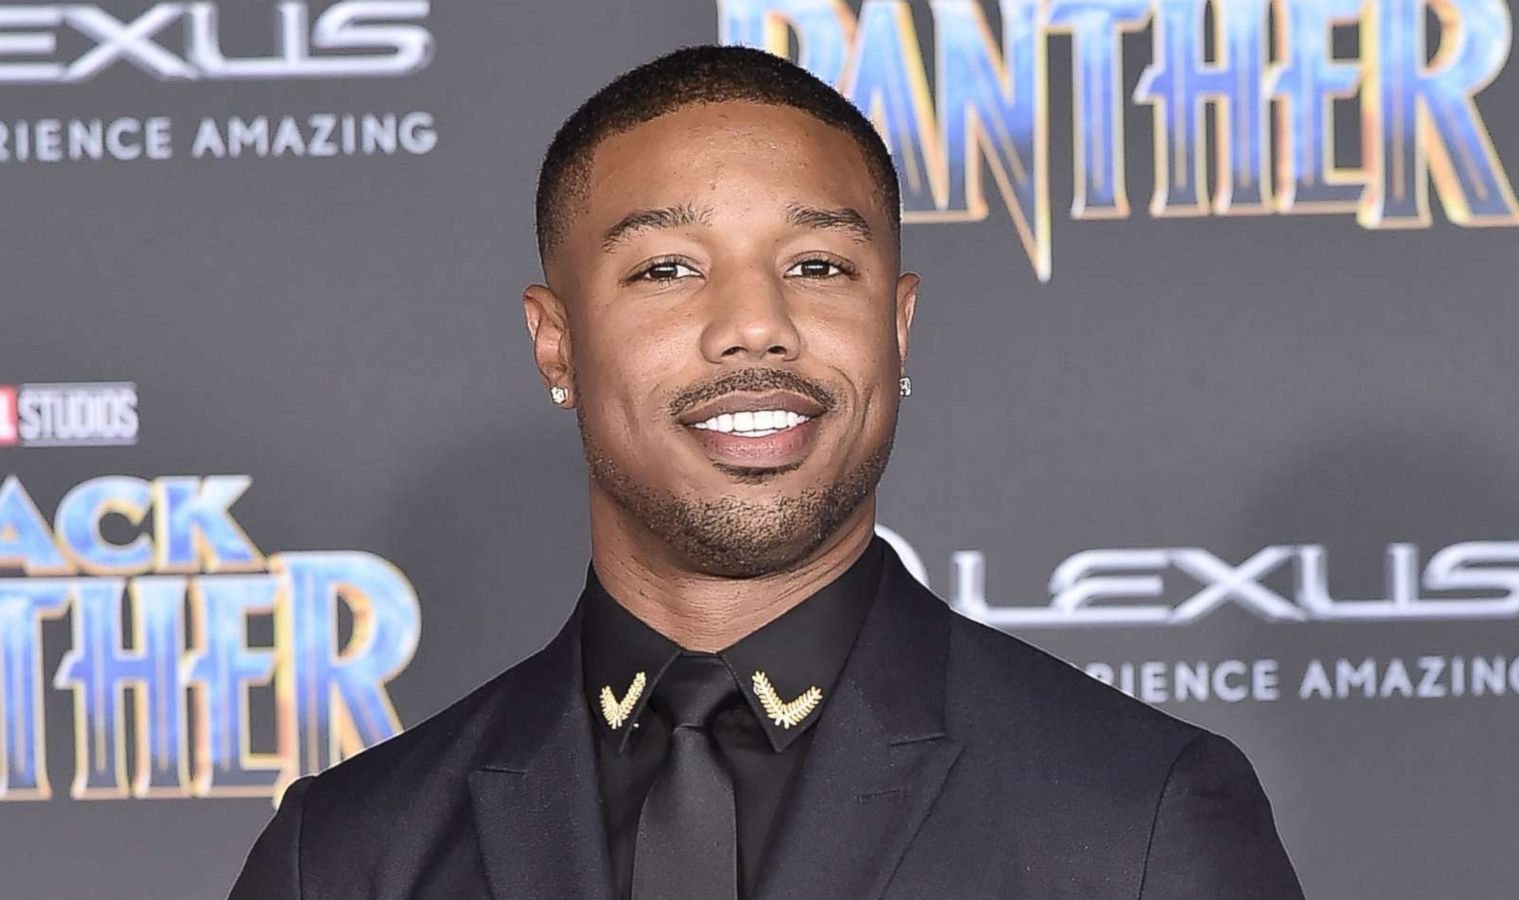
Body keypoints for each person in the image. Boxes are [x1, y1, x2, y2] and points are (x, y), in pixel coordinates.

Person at [229, 44, 1304, 900]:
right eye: (666, 270)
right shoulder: (345, 855)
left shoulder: (1135, 817)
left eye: (817, 265)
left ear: (899, 325)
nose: (754, 326)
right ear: (555, 344)